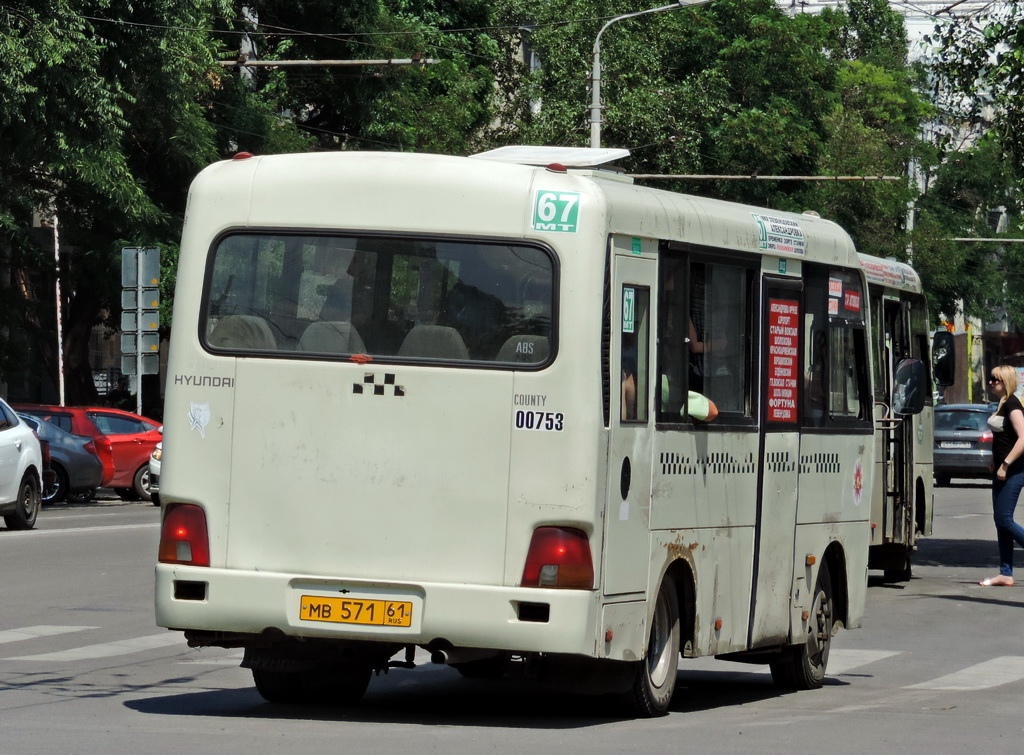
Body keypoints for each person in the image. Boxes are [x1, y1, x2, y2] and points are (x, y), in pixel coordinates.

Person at [979, 365, 1024, 586]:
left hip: (1015, 469)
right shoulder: (1001, 404)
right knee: (1000, 521)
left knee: (1004, 519)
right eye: (990, 378)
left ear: (1006, 382)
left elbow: (1023, 438)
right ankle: (1005, 573)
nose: (990, 383)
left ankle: (1006, 571)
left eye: (995, 379)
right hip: (1000, 469)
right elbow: (1002, 438)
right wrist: (994, 460)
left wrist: (1005, 464)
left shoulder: (1013, 404)